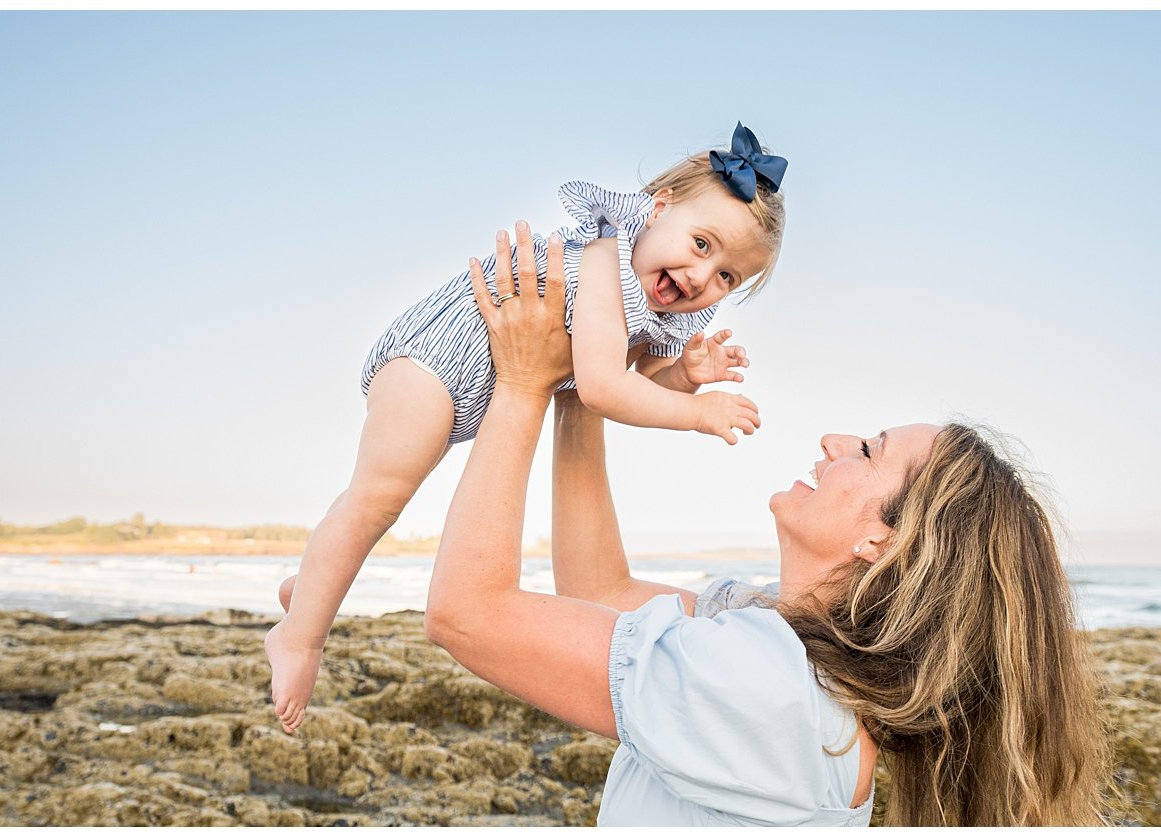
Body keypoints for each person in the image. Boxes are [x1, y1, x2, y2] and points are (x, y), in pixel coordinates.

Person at [416, 228, 1111, 825]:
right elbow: (599, 585)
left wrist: (520, 384)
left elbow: (466, 613)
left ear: (886, 541)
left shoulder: (770, 688)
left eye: (869, 451)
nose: (837, 440)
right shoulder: (774, 645)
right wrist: (586, 391)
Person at [264, 124, 784, 734]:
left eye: (727, 277)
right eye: (702, 244)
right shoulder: (602, 258)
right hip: (431, 362)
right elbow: (600, 387)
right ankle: (299, 639)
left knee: (374, 504)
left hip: (486, 386)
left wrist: (684, 377)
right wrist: (697, 415)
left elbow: (631, 381)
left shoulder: (653, 308)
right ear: (656, 210)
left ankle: (316, 583)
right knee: (375, 499)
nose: (703, 278)